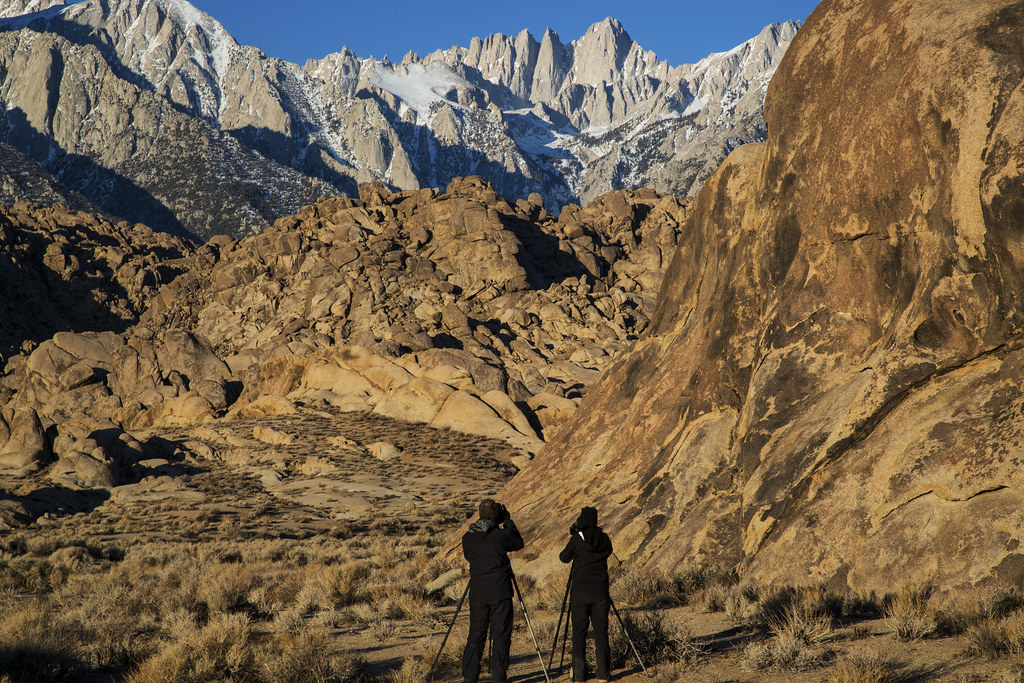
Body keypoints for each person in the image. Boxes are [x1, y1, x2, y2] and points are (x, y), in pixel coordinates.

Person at [461, 498, 525, 683]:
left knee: (475, 635)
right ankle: (498, 677)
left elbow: (469, 555)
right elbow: (518, 543)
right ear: (496, 517)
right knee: (501, 635)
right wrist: (508, 522)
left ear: (479, 515)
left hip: (478, 593)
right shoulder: (501, 535)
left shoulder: (468, 538)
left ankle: (470, 677)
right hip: (500, 593)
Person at [559, 506, 613, 682]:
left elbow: (564, 557)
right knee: (601, 633)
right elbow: (608, 552)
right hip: (600, 593)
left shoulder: (576, 540)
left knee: (579, 634)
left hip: (580, 594)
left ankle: (579, 674)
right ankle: (603, 674)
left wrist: (576, 536)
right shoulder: (604, 539)